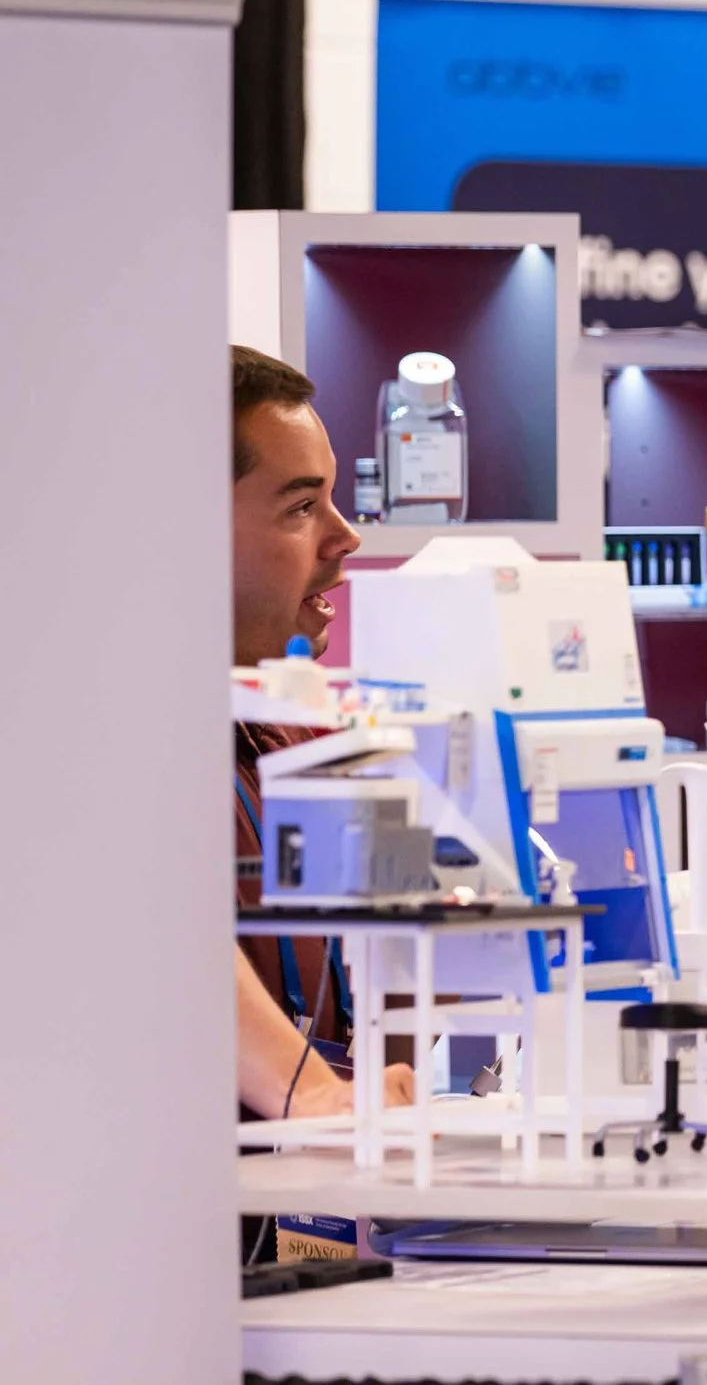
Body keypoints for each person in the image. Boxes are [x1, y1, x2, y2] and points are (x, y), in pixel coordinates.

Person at [231, 346, 416, 1120]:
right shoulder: (86, 750)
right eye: (303, 506)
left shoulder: (309, 744)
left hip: (313, 1221)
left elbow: (402, 999)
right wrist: (310, 1093)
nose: (346, 537)